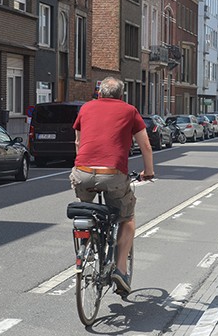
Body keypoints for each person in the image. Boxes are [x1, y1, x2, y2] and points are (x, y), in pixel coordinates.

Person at [70, 77, 154, 295]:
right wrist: (149, 171)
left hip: (83, 173)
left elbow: (78, 142)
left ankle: (87, 245)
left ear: (99, 93)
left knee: (87, 210)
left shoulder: (86, 108)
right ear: (121, 95)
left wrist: (84, 165)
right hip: (113, 175)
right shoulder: (129, 111)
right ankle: (120, 269)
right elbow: (145, 144)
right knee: (127, 219)